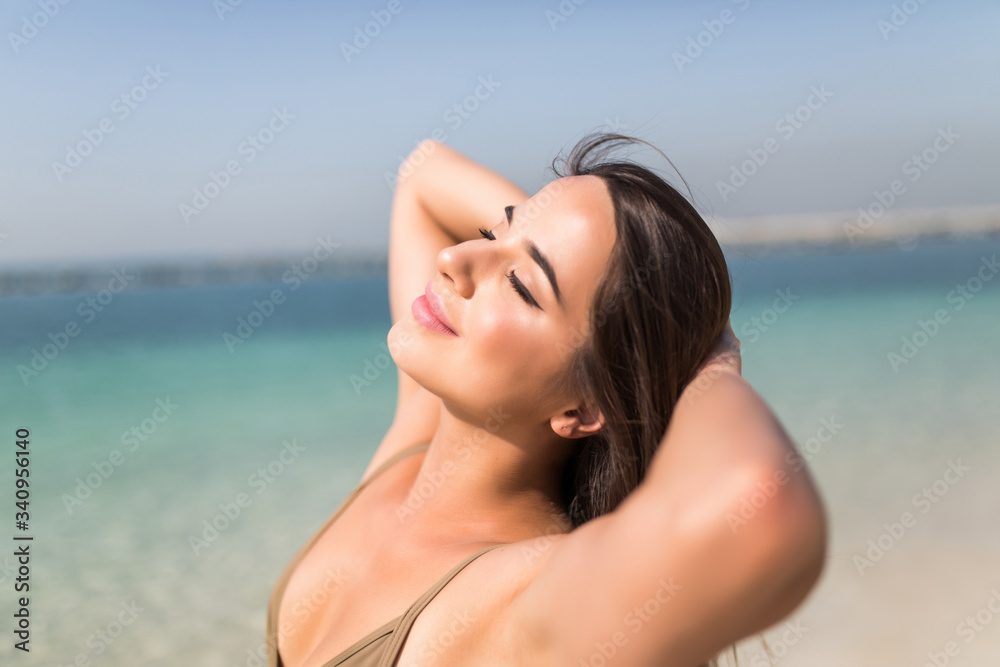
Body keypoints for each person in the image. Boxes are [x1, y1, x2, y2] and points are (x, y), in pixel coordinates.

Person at [267, 133, 827, 667]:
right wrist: (551, 231)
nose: (453, 261)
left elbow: (761, 507)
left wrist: (712, 368)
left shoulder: (527, 600)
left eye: (520, 286)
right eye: (491, 235)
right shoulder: (414, 443)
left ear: (584, 409)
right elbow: (423, 175)